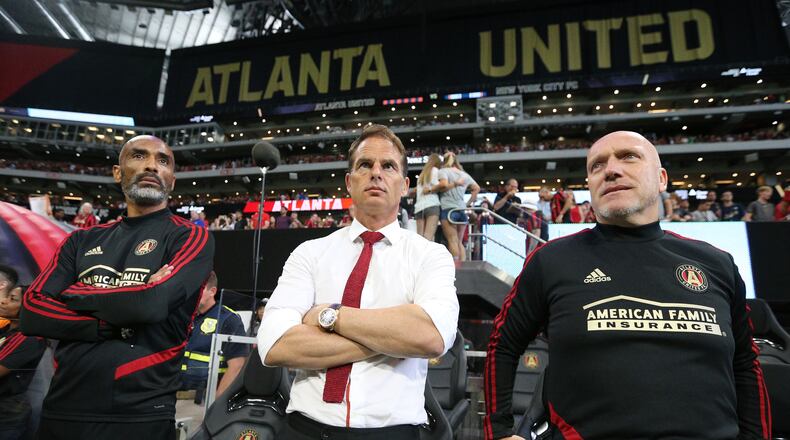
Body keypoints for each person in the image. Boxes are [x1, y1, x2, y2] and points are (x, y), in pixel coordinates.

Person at [484, 131, 770, 440]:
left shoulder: (717, 264)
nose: (611, 169)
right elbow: (503, 345)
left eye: (629, 156)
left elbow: (745, 363)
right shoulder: (551, 261)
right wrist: (499, 432)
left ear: (662, 179)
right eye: (597, 166)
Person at [258, 124, 459, 439]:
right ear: (349, 183)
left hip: (392, 432)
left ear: (404, 185)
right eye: (365, 165)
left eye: (388, 166)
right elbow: (274, 345)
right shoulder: (309, 253)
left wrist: (329, 315)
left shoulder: (430, 256)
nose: (376, 173)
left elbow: (430, 336)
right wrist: (392, 340)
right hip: (305, 429)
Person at [20, 135, 215, 439]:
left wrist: (75, 294)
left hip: (140, 414)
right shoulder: (80, 240)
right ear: (117, 172)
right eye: (139, 156)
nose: (151, 165)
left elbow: (152, 304)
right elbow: (32, 310)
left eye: (163, 161)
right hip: (63, 407)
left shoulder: (190, 237)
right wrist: (108, 321)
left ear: (172, 181)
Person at [181, 272, 248, 400]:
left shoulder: (228, 318)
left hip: (205, 398)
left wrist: (217, 401)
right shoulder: (185, 315)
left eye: (198, 289)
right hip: (176, 394)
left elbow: (237, 365)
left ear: (212, 291)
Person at [1, 266, 46, 440]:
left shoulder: (27, 338)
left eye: (12, 299)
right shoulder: (6, 329)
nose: (4, 302)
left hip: (6, 415)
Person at [437, 152, 480, 261]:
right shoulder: (463, 174)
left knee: (452, 240)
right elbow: (476, 188)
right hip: (461, 209)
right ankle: (463, 267)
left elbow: (443, 185)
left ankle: (455, 268)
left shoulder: (443, 172)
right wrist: (468, 204)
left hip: (448, 209)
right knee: (459, 241)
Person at [413, 153, 442, 241]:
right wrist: (431, 189)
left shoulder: (422, 174)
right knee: (428, 237)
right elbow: (440, 185)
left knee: (420, 238)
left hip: (419, 208)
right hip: (432, 205)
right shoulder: (435, 171)